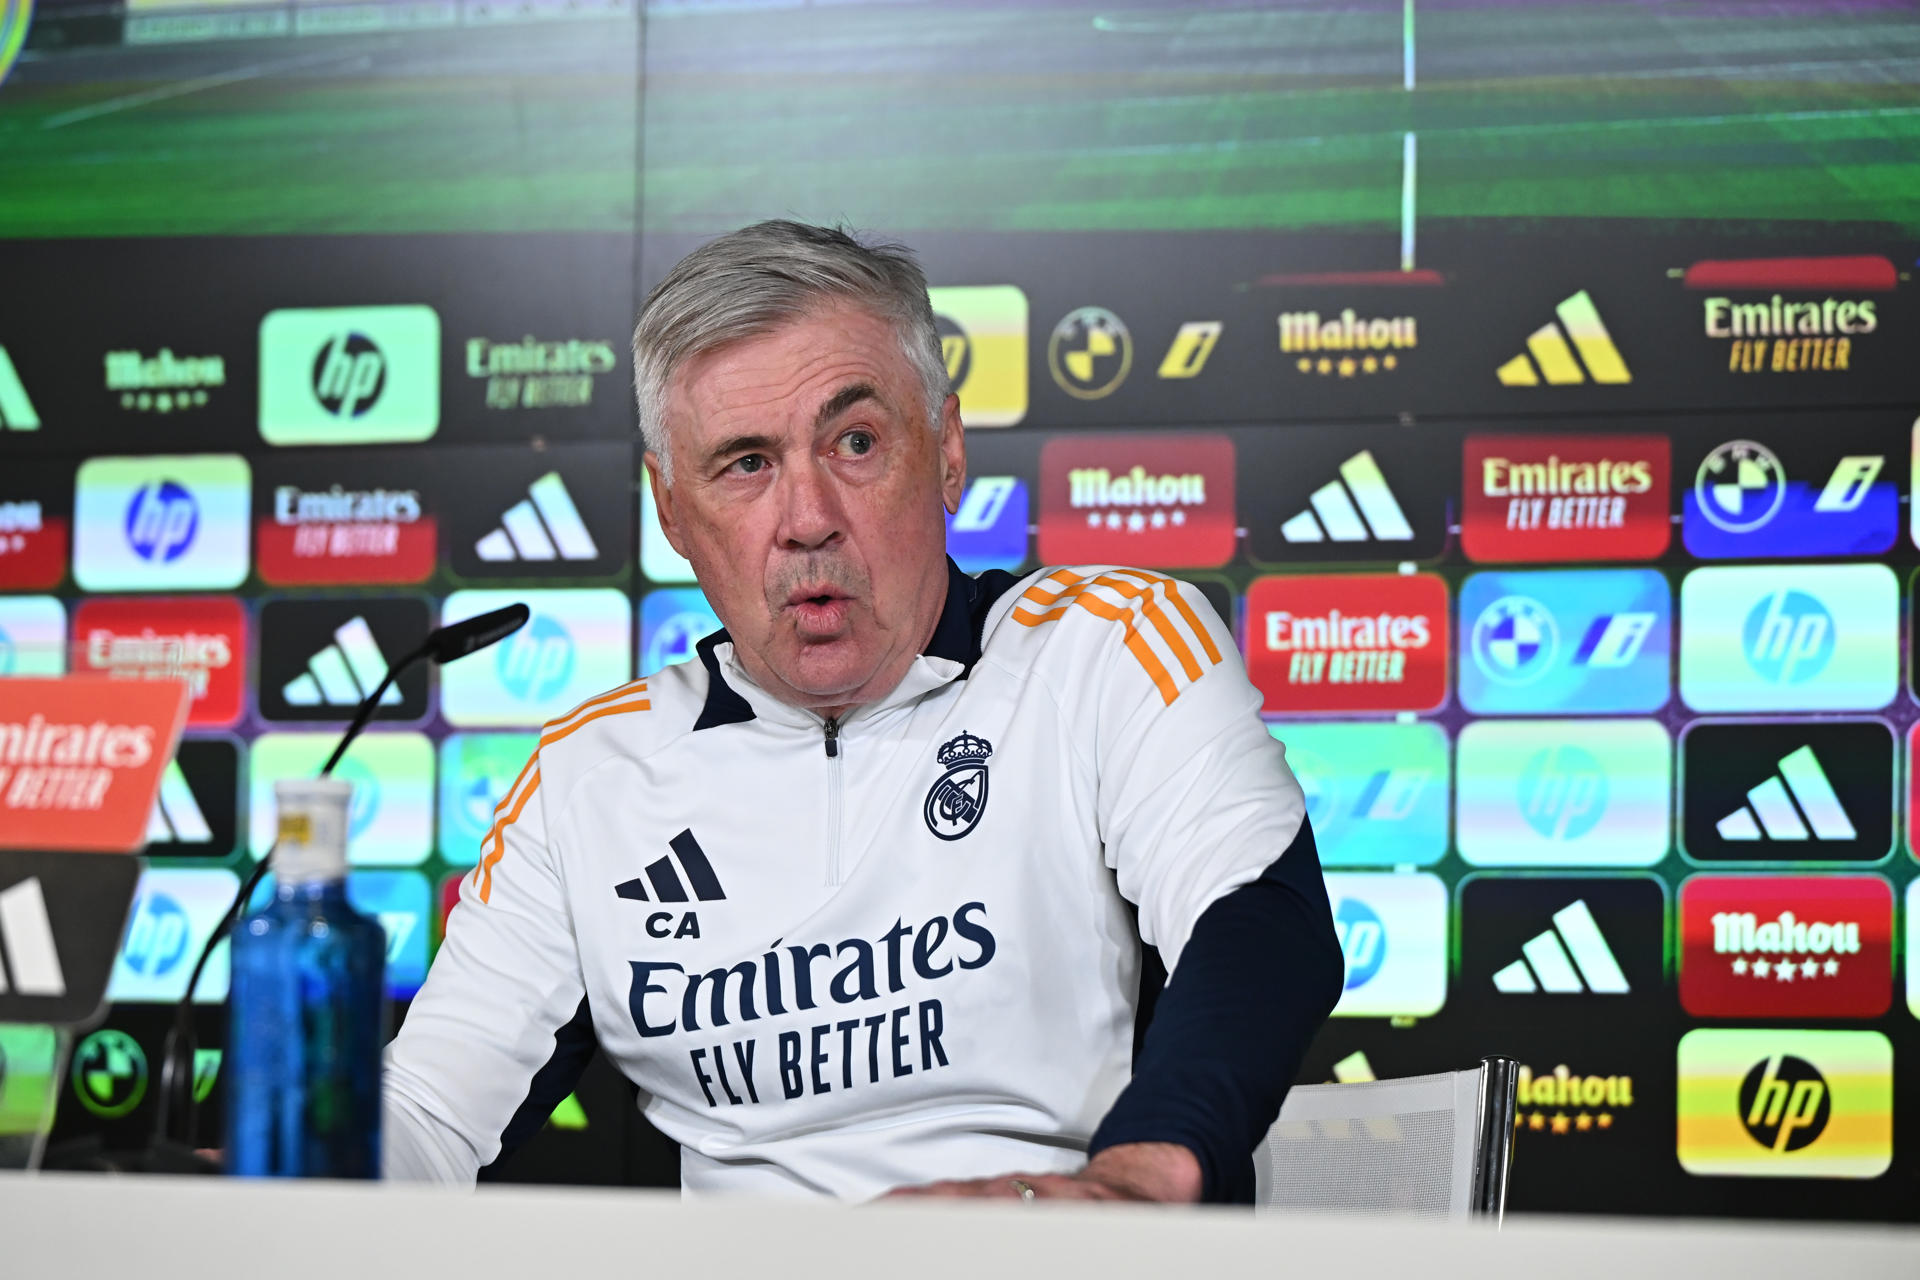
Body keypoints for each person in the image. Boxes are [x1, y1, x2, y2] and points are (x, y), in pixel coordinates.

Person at [384, 220, 1343, 1203]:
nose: (808, 517)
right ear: (671, 510)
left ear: (947, 450)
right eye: (745, 463)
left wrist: (1130, 1182)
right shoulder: (594, 774)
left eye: (854, 441)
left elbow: (1259, 922)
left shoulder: (1109, 647)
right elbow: (426, 1107)